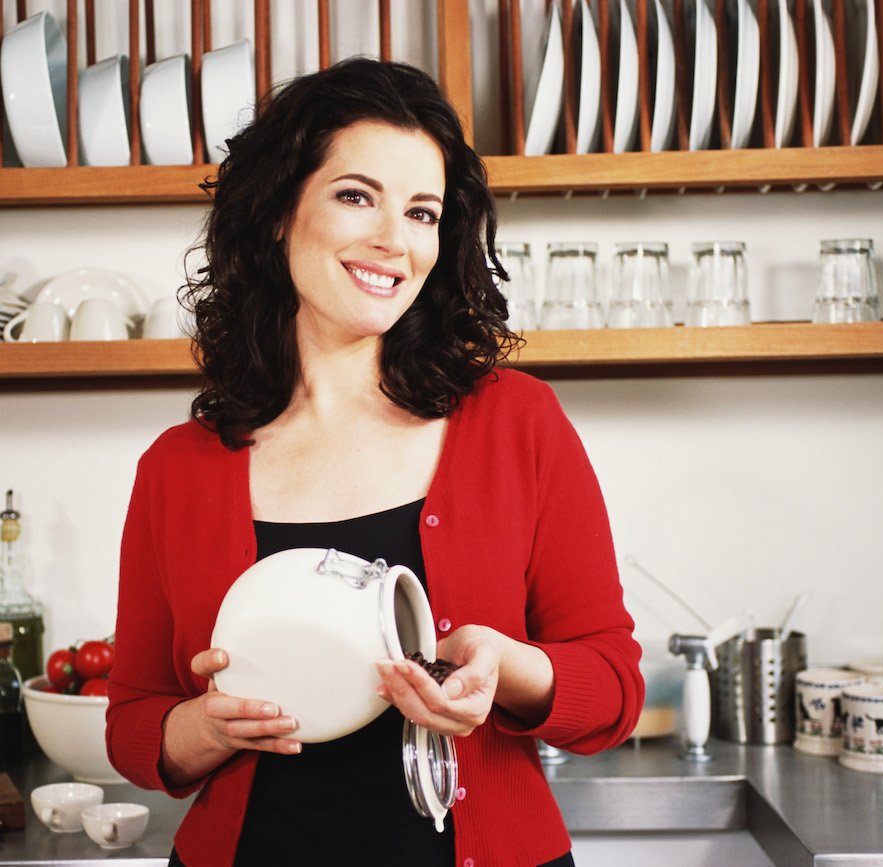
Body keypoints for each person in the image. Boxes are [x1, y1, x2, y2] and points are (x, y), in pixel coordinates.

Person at [106, 58, 644, 867]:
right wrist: (204, 726)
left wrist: (508, 669)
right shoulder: (177, 468)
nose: (395, 240)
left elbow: (614, 686)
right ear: (279, 211)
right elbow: (132, 724)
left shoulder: (516, 422)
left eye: (422, 212)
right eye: (357, 196)